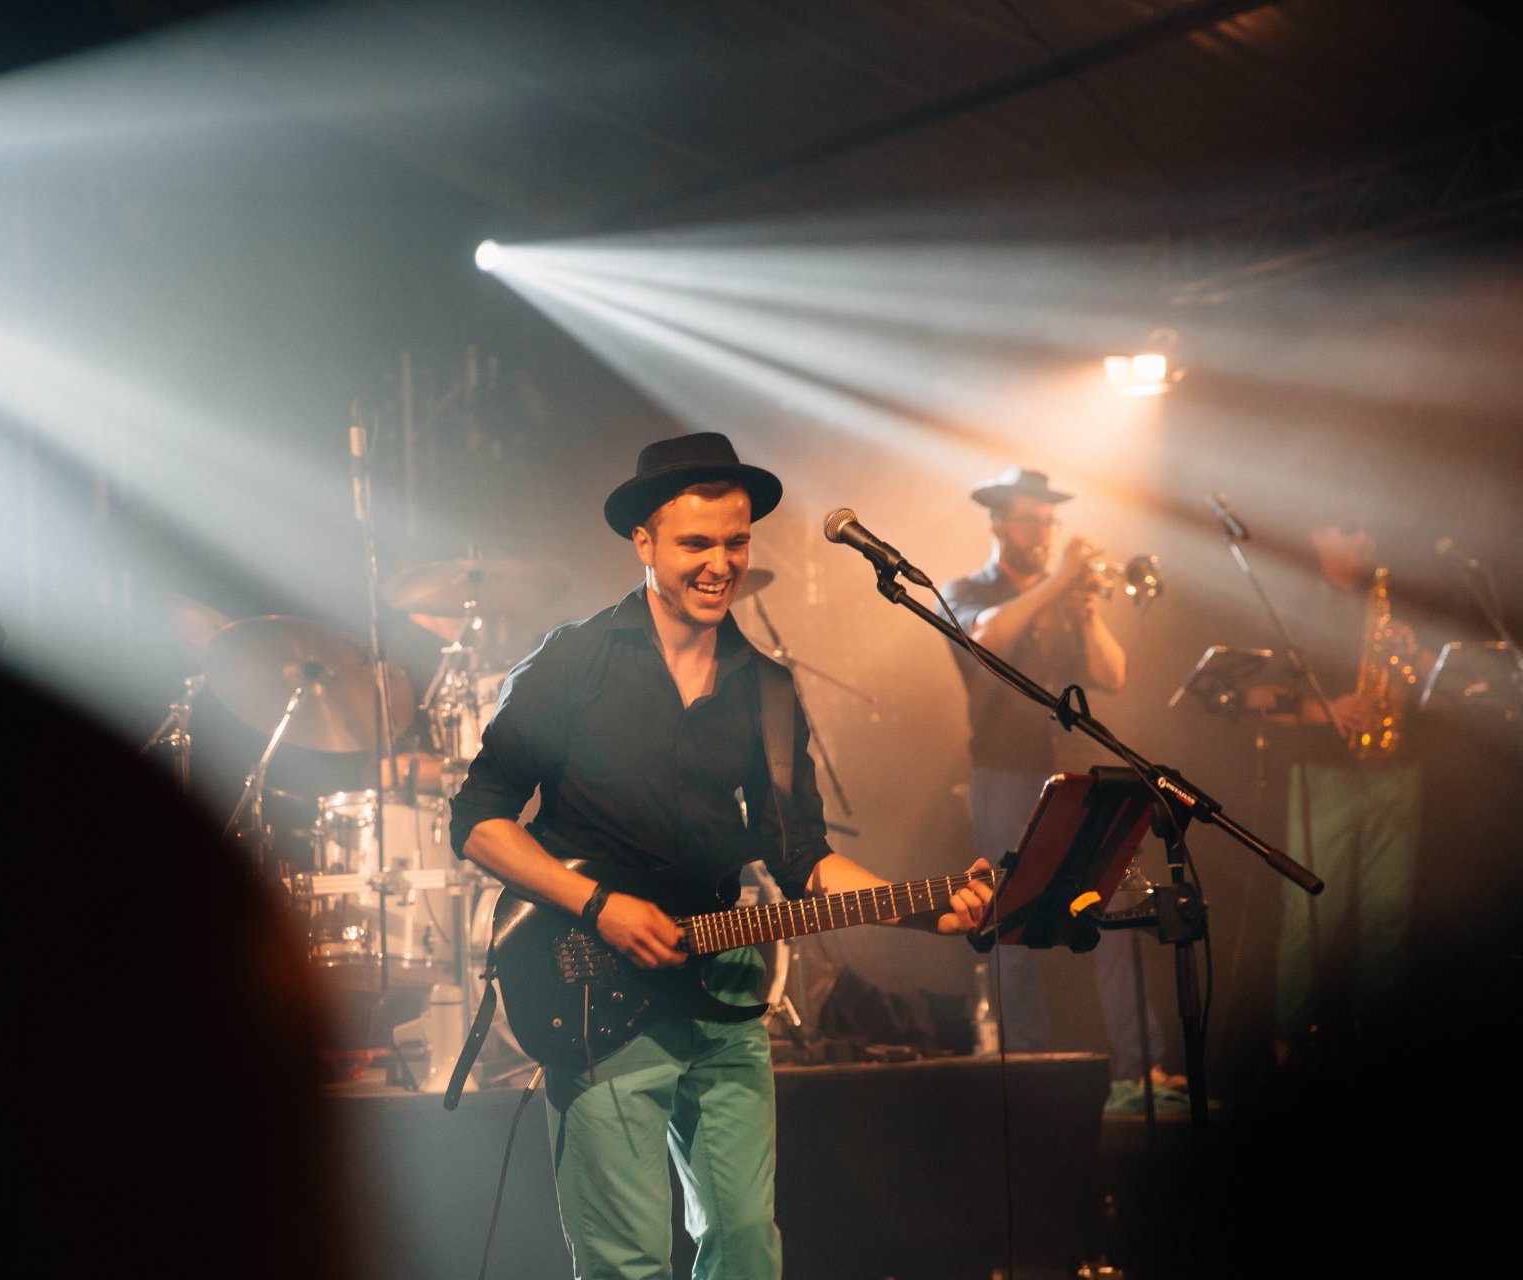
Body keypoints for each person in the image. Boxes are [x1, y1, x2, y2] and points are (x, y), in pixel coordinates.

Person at [449, 432, 994, 1280]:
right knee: (628, 1264)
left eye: (735, 542)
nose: (720, 564)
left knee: (746, 1245)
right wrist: (598, 906)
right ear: (645, 542)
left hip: (726, 981)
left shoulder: (766, 688)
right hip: (593, 983)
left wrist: (917, 908)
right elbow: (477, 820)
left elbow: (801, 856)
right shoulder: (575, 661)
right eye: (695, 544)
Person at [938, 466, 1176, 1091]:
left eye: (1049, 522)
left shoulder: (1063, 595)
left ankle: (1141, 1067)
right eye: (1030, 521)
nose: (1042, 533)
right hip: (1003, 776)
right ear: (998, 523)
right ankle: (1028, 1076)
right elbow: (985, 638)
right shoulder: (966, 590)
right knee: (1010, 922)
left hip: (1074, 778)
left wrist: (1088, 610)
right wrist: (1058, 582)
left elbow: (1113, 674)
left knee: (1115, 910)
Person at [1248, 509, 1432, 1070]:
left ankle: (1375, 1036)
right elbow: (1249, 697)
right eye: (1349, 529)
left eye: (1369, 530)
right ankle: (1289, 1040)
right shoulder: (1290, 604)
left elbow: (1438, 680)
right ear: (1317, 534)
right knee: (1310, 912)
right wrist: (1320, 709)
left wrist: (1415, 657)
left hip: (1397, 772)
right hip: (1322, 774)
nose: (1363, 539)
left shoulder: (1393, 602)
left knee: (1389, 914)